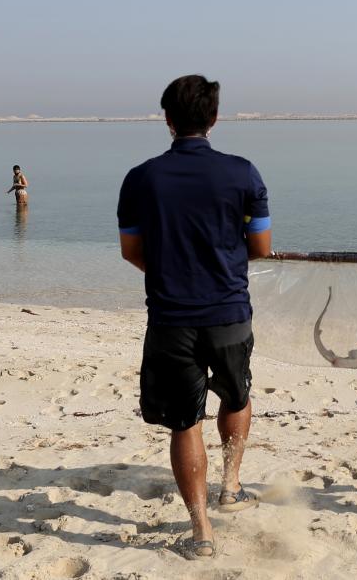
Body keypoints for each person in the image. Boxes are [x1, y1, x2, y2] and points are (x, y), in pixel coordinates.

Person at [117, 75, 272, 559]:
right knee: (238, 393)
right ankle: (231, 484)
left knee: (185, 424)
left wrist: (170, 269)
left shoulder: (140, 178)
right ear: (214, 118)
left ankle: (201, 531)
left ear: (167, 120)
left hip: (170, 318)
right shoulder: (243, 173)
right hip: (229, 312)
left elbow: (131, 251)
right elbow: (261, 248)